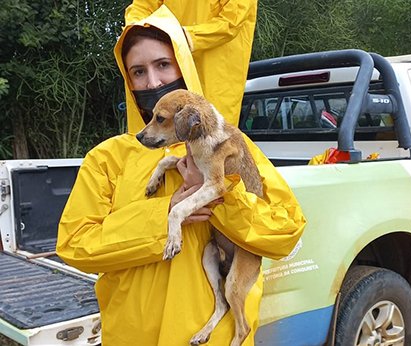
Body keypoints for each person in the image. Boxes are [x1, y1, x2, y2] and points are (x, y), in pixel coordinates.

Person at [56, 5, 305, 346]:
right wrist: (165, 212)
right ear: (128, 80)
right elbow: (75, 245)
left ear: (184, 65)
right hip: (134, 337)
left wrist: (218, 198)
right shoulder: (107, 158)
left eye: (163, 65)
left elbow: (286, 231)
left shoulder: (232, 145)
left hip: (215, 337)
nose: (153, 81)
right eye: (138, 71)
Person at [124, 0, 258, 126]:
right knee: (154, 134)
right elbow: (141, 8)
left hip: (214, 75)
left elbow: (232, 20)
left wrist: (184, 37)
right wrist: (139, 32)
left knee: (209, 135)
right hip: (166, 69)